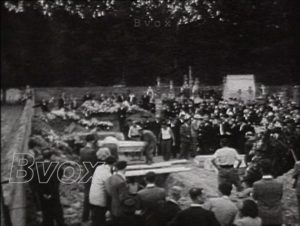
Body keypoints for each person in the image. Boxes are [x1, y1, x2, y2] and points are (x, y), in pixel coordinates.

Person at [31, 151, 66, 226]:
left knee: (46, 214)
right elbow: (58, 181)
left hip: (42, 196)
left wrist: (43, 193)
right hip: (54, 194)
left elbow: (34, 184)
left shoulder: (36, 169)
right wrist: (52, 193)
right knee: (58, 214)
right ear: (51, 157)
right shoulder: (58, 168)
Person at [252, 160, 283, 226]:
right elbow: (280, 197)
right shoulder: (279, 184)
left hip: (262, 215)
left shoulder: (256, 184)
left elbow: (254, 197)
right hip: (277, 215)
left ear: (261, 170)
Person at [89, 156, 116, 226]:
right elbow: (109, 191)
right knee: (99, 221)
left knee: (95, 218)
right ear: (113, 164)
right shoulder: (107, 174)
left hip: (92, 197)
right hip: (100, 200)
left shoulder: (99, 168)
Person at [79, 134, 97, 223]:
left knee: (86, 196)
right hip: (92, 174)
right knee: (93, 196)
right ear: (93, 141)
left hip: (85, 174)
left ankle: (85, 217)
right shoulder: (93, 151)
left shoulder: (81, 150)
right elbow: (95, 165)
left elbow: (81, 162)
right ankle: (93, 217)